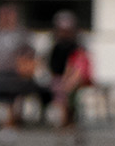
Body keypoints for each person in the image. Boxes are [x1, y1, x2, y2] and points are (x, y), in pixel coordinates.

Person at [45, 11, 91, 139]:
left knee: (69, 96)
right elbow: (53, 67)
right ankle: (63, 125)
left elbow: (78, 68)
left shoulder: (77, 48)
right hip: (59, 80)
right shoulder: (56, 46)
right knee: (59, 96)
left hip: (74, 82)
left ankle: (69, 124)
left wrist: (69, 79)